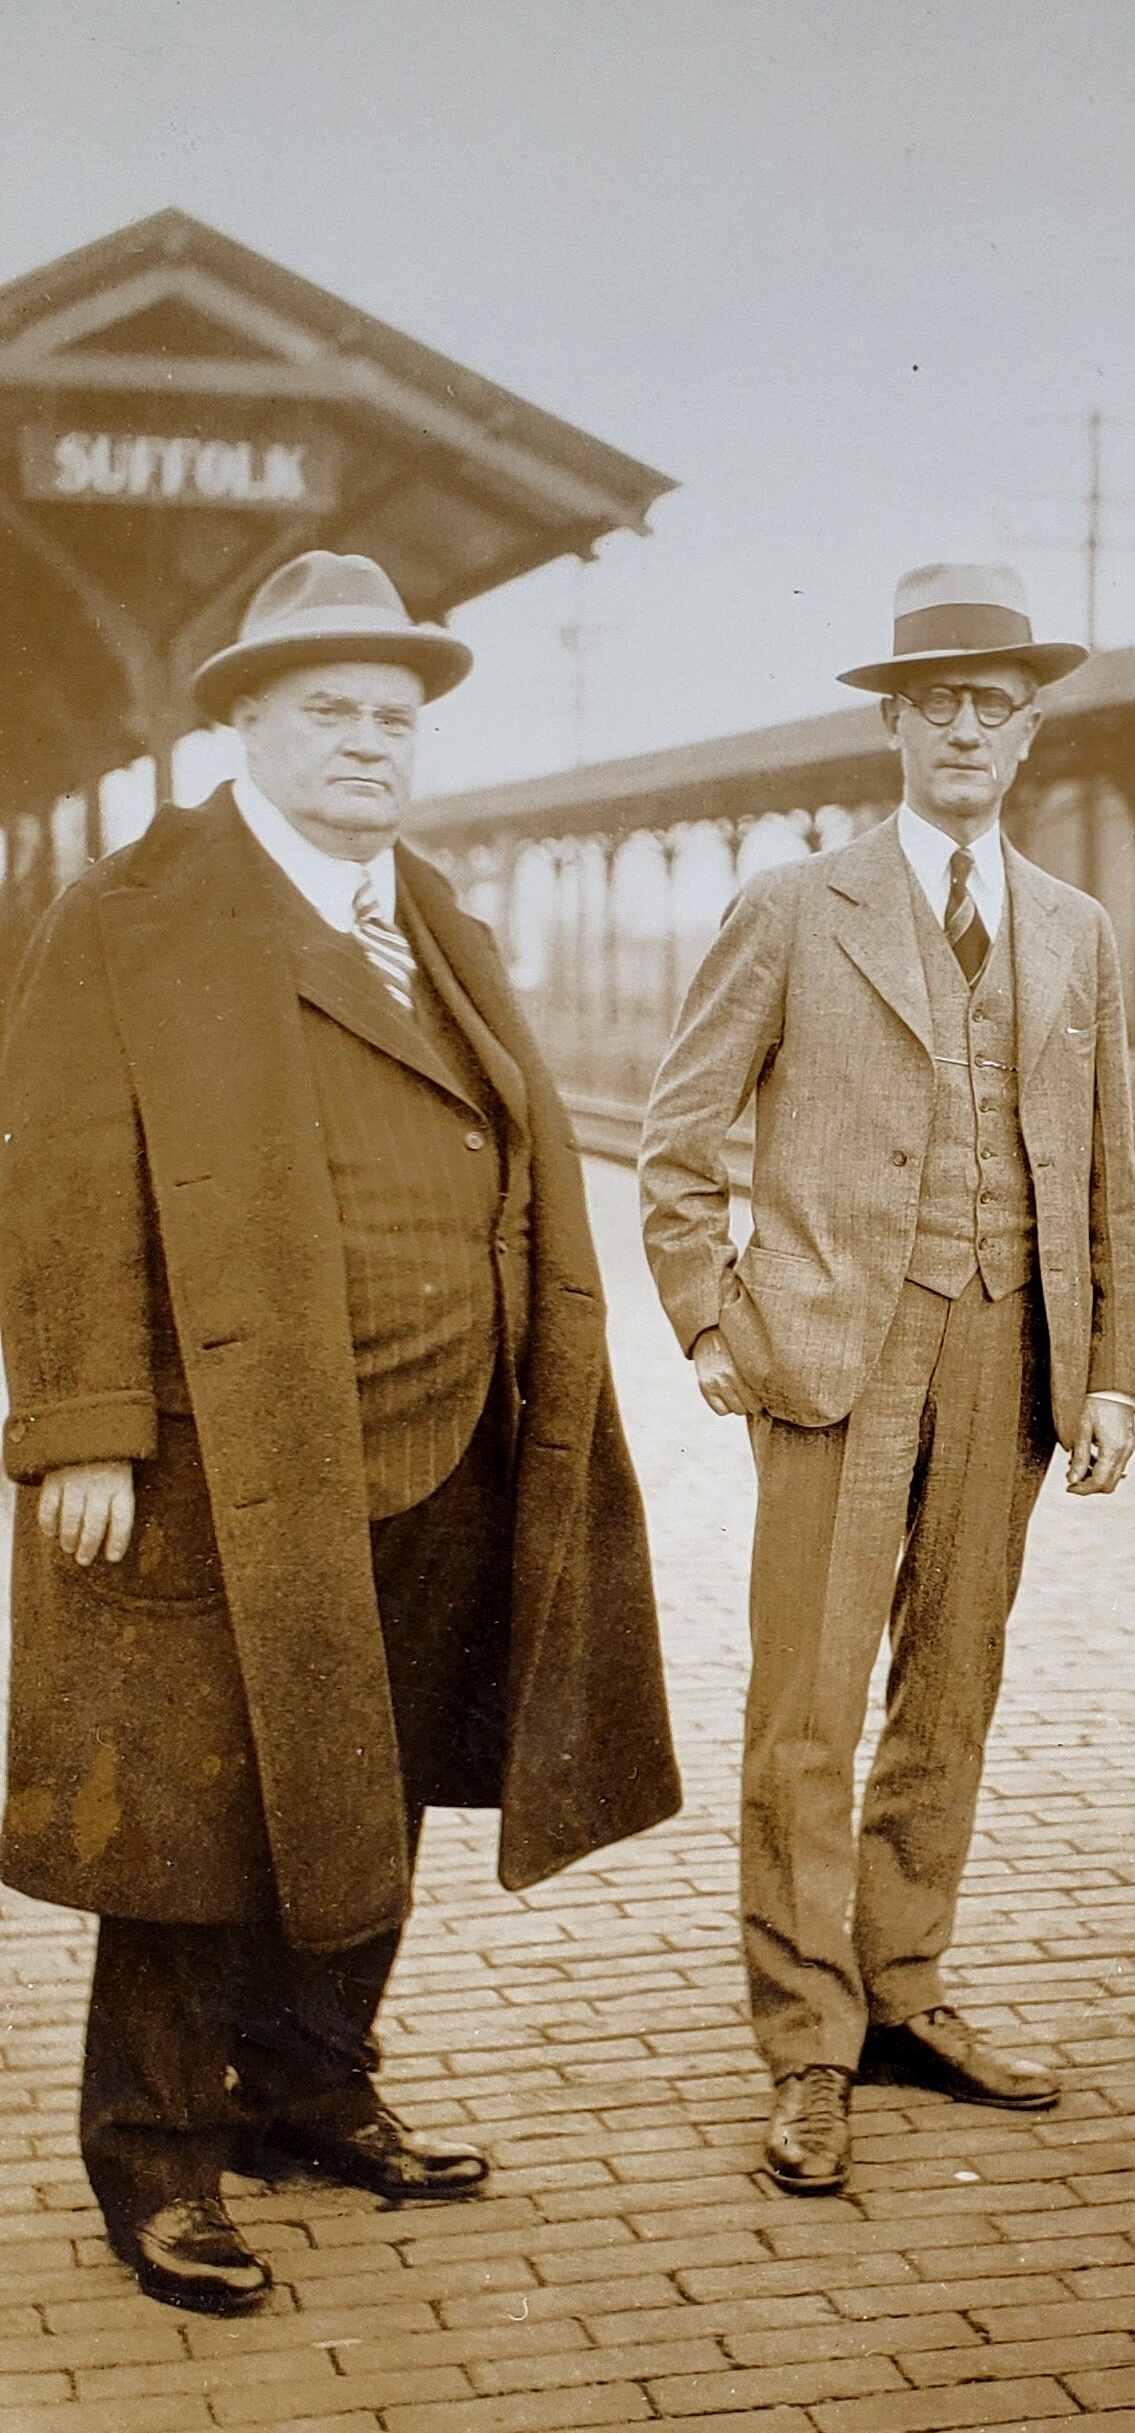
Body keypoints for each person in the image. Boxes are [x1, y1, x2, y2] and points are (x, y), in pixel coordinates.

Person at [0, 551, 679, 2315]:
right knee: (189, 1817)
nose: (374, 743)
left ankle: (309, 2091)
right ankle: (153, 2164)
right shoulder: (132, 910)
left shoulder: (430, 908)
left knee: (367, 1781)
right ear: (243, 724)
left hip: (447, 1434)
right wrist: (78, 1427)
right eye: (333, 713)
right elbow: (63, 1179)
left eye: (397, 717)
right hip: (225, 1453)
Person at [638, 562, 1135, 2195]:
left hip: (1010, 1357)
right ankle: (806, 2047)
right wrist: (711, 1321)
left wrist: (1114, 1374)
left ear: (1028, 730)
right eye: (939, 703)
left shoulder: (1075, 932)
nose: (968, 730)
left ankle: (906, 1993)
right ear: (894, 723)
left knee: (952, 1690)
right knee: (805, 1712)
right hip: (839, 1361)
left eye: (996, 706)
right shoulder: (797, 906)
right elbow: (678, 1135)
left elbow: (1108, 1178)